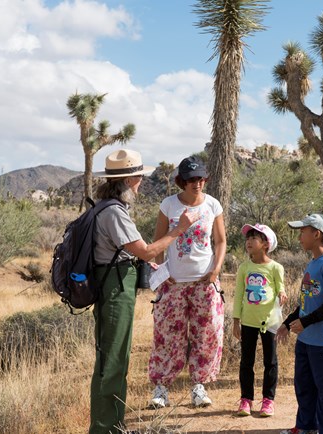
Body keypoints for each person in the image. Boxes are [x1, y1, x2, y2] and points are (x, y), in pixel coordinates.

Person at [90, 149, 198, 434]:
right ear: (127, 180)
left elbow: (132, 252)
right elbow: (146, 248)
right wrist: (178, 231)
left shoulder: (106, 207)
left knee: (112, 357)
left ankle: (111, 423)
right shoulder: (114, 212)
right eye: (137, 177)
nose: (139, 183)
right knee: (113, 359)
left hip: (114, 284)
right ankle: (106, 427)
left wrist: (147, 261)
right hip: (114, 289)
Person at [148, 155, 227, 408]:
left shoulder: (212, 205)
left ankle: (199, 387)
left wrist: (215, 270)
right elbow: (158, 241)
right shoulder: (169, 205)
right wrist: (161, 272)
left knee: (206, 334)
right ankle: (161, 389)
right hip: (174, 284)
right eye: (192, 179)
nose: (197, 183)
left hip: (204, 283)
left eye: (201, 178)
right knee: (167, 336)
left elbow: (221, 241)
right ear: (182, 181)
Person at [277, 214, 323, 434]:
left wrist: (304, 322)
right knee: (304, 387)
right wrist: (288, 322)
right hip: (305, 340)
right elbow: (305, 303)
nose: (300, 236)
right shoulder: (312, 263)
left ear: (317, 234)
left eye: (303, 231)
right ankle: (305, 427)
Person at [233, 223, 287, 417]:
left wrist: (282, 293)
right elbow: (239, 294)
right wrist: (235, 321)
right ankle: (246, 399)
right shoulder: (244, 268)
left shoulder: (275, 267)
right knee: (246, 361)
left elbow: (281, 287)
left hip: (270, 322)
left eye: (254, 238)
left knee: (270, 362)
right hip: (248, 321)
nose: (249, 241)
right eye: (248, 238)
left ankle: (268, 400)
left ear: (265, 244)